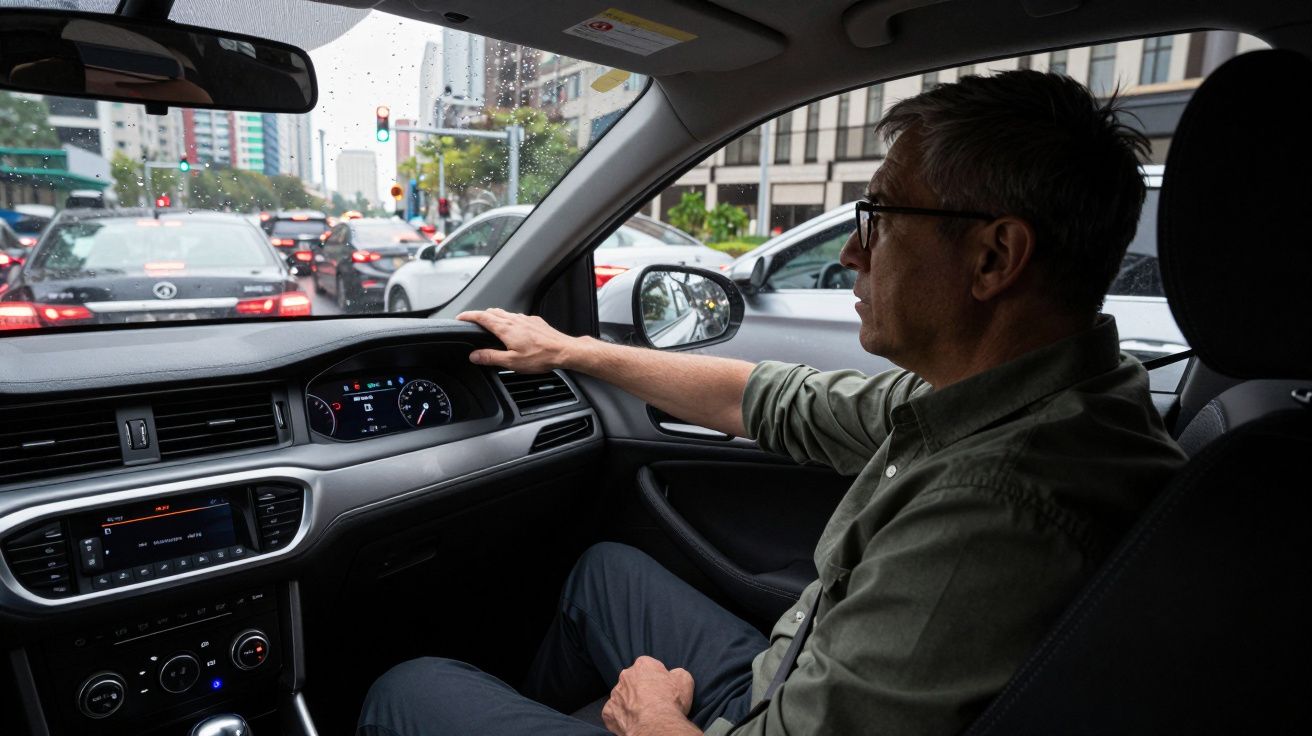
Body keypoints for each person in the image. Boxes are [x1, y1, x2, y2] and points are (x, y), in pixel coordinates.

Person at [357, 70, 1187, 736]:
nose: (854, 253)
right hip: (787, 686)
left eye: (882, 217)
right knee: (604, 575)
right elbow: (772, 399)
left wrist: (650, 721)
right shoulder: (1038, 397)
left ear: (994, 257)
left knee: (412, 688)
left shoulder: (996, 512)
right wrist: (572, 350)